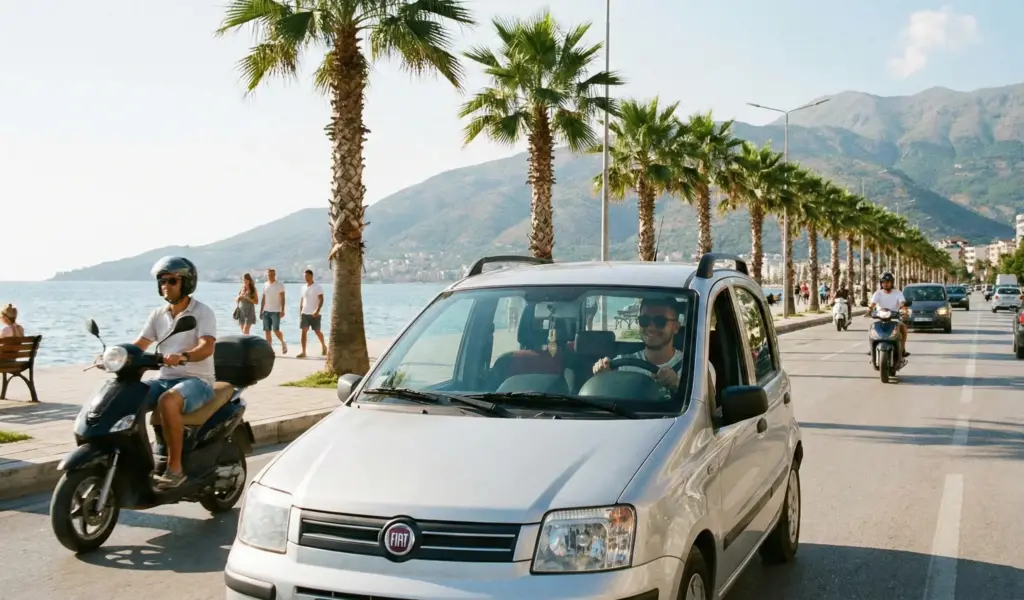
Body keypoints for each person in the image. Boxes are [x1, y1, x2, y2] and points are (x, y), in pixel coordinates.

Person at [132, 256, 218, 490]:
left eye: (171, 281)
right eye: (162, 282)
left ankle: (175, 468)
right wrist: (116, 356)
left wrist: (184, 356)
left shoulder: (202, 312)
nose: (165, 286)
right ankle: (137, 459)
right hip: (165, 379)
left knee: (168, 402)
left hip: (197, 381)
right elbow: (140, 344)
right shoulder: (158, 315)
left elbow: (207, 346)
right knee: (129, 395)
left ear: (186, 283)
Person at [592, 297, 688, 396]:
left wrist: (678, 386)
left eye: (660, 321)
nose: (651, 327)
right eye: (644, 320)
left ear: (676, 327)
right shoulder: (621, 366)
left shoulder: (691, 369)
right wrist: (602, 376)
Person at [866, 271, 909, 357]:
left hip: (894, 318)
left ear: (892, 283)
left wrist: (904, 311)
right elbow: (872, 304)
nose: (886, 284)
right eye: (884, 282)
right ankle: (871, 349)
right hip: (880, 318)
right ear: (881, 283)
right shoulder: (877, 293)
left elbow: (902, 303)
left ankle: (903, 349)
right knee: (871, 329)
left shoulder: (898, 293)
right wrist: (869, 311)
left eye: (888, 282)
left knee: (903, 328)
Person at [297, 269, 327, 358]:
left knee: (317, 331)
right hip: (305, 313)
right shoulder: (303, 287)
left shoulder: (317, 287)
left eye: (307, 276)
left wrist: (317, 310)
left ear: (311, 276)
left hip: (315, 313)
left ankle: (324, 346)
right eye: (304, 276)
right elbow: (302, 300)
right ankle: (303, 352)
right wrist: (300, 312)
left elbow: (321, 299)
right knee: (304, 331)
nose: (305, 278)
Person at [260, 268, 287, 354]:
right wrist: (261, 310)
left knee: (276, 330)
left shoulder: (279, 285)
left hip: (276, 311)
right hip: (266, 311)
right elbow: (263, 298)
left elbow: (283, 298)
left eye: (272, 274)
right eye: (269, 274)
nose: (271, 275)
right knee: (267, 331)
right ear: (267, 275)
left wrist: (282, 310)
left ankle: (283, 342)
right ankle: (269, 350)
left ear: (275, 275)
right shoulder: (265, 285)